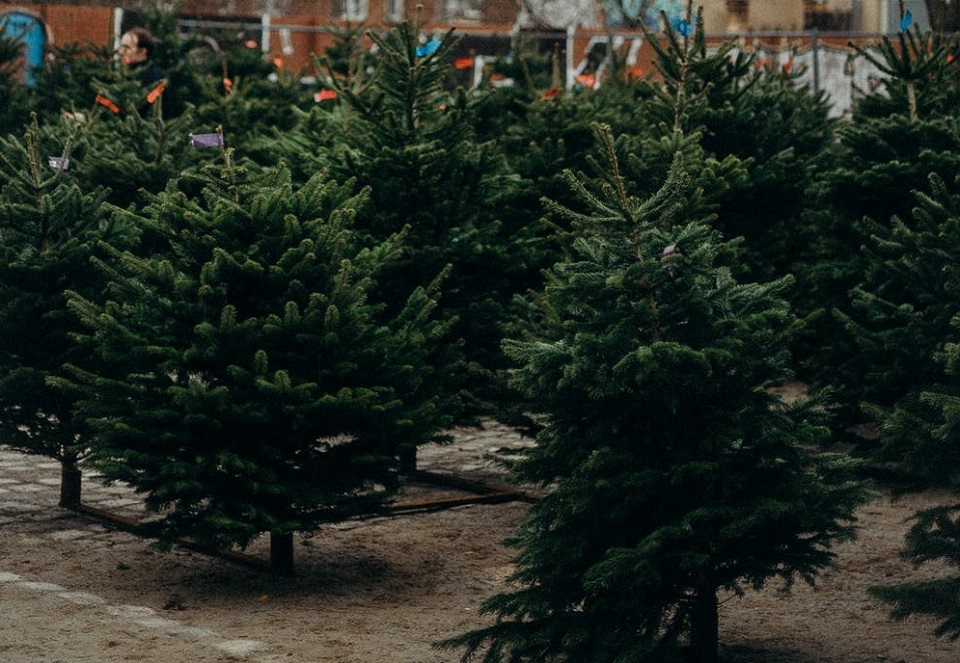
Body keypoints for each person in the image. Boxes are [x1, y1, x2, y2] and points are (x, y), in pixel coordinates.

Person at [118, 26, 168, 114]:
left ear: (142, 51)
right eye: (121, 47)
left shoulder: (157, 79)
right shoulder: (119, 74)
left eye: (127, 48)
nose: (121, 52)